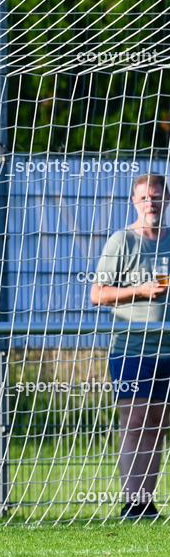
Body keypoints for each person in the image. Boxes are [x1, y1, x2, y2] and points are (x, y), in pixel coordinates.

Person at [91, 173, 170, 519]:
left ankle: (147, 502)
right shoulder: (122, 241)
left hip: (167, 349)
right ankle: (132, 501)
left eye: (156, 196)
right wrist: (138, 291)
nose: (150, 203)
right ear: (134, 202)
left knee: (157, 421)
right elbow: (97, 294)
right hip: (131, 347)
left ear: (167, 201)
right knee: (134, 419)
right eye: (144, 197)